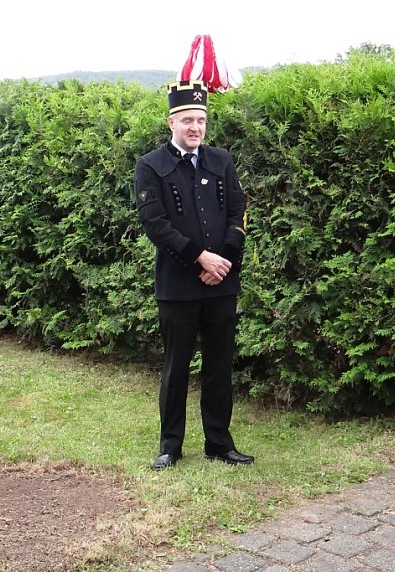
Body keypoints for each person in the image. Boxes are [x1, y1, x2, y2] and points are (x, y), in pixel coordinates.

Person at [134, 80, 253, 471]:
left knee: (219, 365)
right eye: (187, 120)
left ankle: (219, 443)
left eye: (201, 120)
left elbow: (238, 213)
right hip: (178, 286)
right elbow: (156, 224)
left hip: (222, 283)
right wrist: (201, 258)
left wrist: (222, 261)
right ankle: (170, 446)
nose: (195, 128)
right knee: (176, 367)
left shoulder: (222, 161)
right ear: (171, 122)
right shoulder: (151, 166)